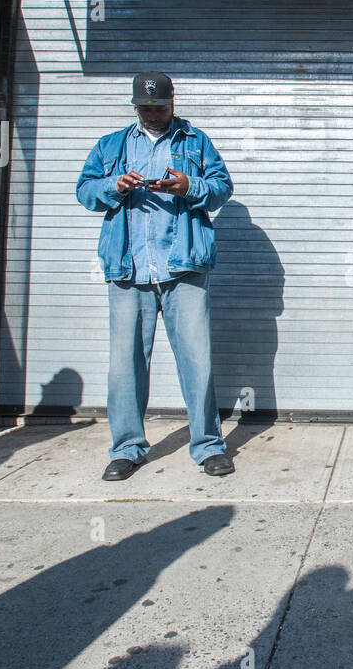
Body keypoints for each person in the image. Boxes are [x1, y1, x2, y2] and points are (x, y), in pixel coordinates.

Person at [75, 72, 235, 480]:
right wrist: (115, 185)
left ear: (172, 102)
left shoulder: (195, 141)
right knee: (124, 365)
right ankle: (127, 449)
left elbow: (221, 188)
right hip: (129, 269)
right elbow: (85, 191)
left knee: (197, 362)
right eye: (145, 108)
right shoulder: (111, 145)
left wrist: (188, 185)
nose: (153, 114)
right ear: (135, 106)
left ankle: (208, 447)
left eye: (160, 107)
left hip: (183, 267)